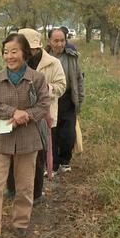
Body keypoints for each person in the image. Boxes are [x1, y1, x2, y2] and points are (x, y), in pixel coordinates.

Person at [0, 33, 50, 238]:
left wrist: (26, 115)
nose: (9, 56)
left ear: (24, 53)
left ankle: (21, 222)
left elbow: (44, 104)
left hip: (28, 138)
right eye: (5, 52)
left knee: (25, 185)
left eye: (14, 51)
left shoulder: (37, 78)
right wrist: (13, 112)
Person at [5, 28, 66, 204]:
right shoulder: (16, 61)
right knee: (12, 152)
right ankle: (12, 188)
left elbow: (61, 86)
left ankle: (37, 193)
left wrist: (45, 88)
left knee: (38, 156)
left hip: (41, 116)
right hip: (18, 115)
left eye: (28, 48)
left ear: (36, 48)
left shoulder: (52, 63)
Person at [46, 28, 84, 173]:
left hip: (68, 99)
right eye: (56, 41)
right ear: (49, 41)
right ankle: (53, 164)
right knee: (53, 133)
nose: (60, 44)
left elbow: (79, 78)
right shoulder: (45, 57)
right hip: (51, 99)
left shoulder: (71, 56)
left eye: (62, 40)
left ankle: (65, 160)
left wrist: (80, 99)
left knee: (68, 134)